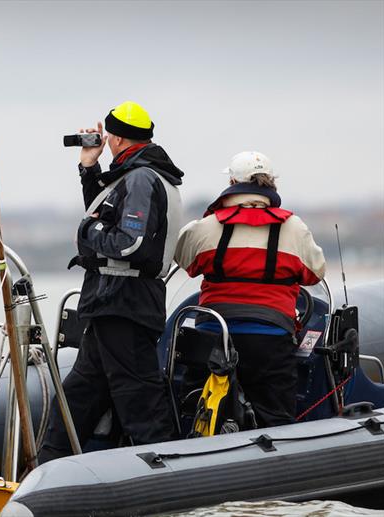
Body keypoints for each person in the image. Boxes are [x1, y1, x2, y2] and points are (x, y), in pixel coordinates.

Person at [39, 101, 184, 463]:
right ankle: (48, 466)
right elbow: (103, 210)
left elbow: (128, 242)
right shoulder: (137, 175)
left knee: (139, 398)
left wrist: (89, 230)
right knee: (80, 393)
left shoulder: (141, 178)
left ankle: (166, 473)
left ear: (116, 137)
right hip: (111, 303)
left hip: (125, 301)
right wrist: (89, 167)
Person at [174, 151, 326, 427]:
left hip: (213, 334)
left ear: (232, 181)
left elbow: (185, 260)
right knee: (276, 416)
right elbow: (315, 273)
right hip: (269, 338)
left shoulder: (207, 226)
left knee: (194, 407)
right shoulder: (293, 228)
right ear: (270, 184)